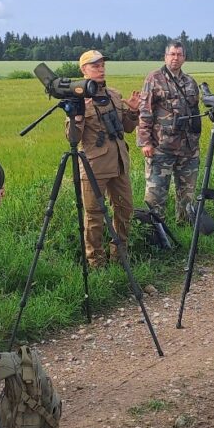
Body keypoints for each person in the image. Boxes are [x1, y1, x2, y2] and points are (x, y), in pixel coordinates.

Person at [66, 50, 140, 268]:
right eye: (94, 66)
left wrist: (133, 113)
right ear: (84, 70)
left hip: (119, 163)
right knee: (94, 216)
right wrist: (78, 115)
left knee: (125, 210)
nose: (100, 69)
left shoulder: (115, 95)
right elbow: (72, 138)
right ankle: (96, 262)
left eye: (102, 65)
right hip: (94, 167)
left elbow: (126, 128)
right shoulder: (78, 98)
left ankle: (120, 256)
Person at [137, 41, 200, 222]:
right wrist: (146, 142)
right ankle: (157, 234)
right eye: (172, 54)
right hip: (161, 146)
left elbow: (194, 110)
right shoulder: (154, 78)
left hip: (188, 148)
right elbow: (145, 111)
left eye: (179, 54)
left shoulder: (190, 82)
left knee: (187, 194)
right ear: (165, 57)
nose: (175, 58)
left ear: (184, 58)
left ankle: (186, 231)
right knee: (156, 195)